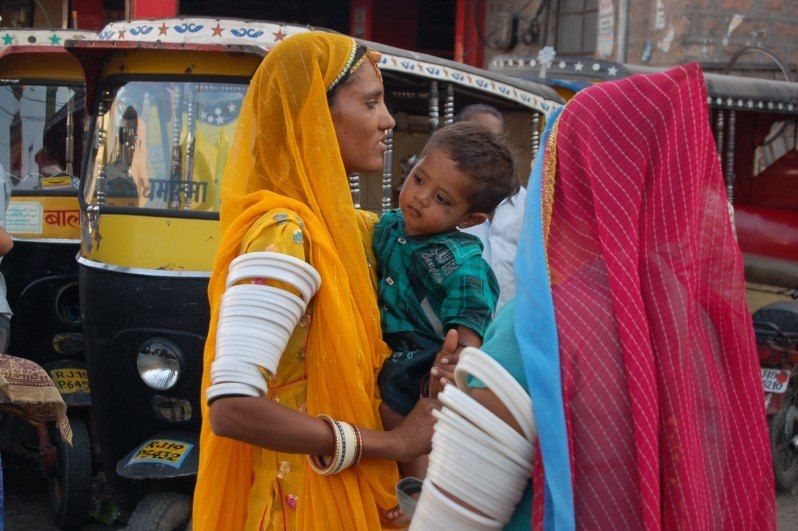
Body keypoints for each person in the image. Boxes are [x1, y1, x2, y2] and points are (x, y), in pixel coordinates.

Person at [426, 64, 776, 529]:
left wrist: (456, 408)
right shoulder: (696, 322)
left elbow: (451, 519)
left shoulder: (535, 329)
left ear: (572, 183)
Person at [192, 33, 442, 531]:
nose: (388, 120)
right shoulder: (285, 236)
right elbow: (233, 408)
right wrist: (392, 444)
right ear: (314, 116)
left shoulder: (348, 230)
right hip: (297, 510)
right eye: (371, 102)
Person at [374, 121, 518, 474]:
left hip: (424, 356)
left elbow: (467, 329)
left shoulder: (460, 263)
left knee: (395, 403)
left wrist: (450, 369)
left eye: (441, 199)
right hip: (386, 342)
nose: (420, 197)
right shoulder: (388, 225)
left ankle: (415, 485)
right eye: (419, 179)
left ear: (470, 219)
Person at [456, 104, 526, 311]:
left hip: (510, 326)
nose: (486, 148)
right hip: (456, 326)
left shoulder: (526, 203)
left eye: (494, 139)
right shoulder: (442, 200)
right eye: (477, 139)